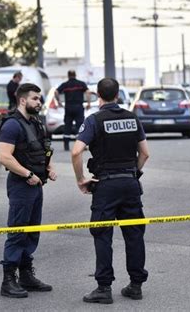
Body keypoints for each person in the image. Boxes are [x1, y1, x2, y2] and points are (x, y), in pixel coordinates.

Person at [71, 78, 149, 304]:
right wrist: (133, 172)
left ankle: (104, 289)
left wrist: (81, 180)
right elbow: (145, 153)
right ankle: (136, 286)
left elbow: (76, 152)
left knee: (102, 235)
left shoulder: (94, 120)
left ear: (99, 95)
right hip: (130, 183)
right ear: (117, 95)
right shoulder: (133, 118)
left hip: (105, 185)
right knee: (134, 234)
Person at [0, 83, 57, 298]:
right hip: (21, 185)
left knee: (31, 231)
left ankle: (25, 275)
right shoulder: (12, 125)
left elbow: (42, 149)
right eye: (34, 99)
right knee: (17, 231)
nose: (38, 103)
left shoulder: (35, 123)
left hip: (36, 184)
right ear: (22, 100)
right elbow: (4, 156)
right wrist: (28, 174)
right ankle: (8, 280)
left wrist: (48, 167)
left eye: (39, 99)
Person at [55, 70, 91, 151]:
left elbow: (56, 92)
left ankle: (66, 146)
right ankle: (82, 145)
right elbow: (88, 92)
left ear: (68, 76)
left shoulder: (65, 85)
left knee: (67, 126)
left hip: (68, 107)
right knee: (80, 126)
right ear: (75, 75)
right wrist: (89, 103)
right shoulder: (81, 84)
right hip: (78, 107)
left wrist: (59, 102)